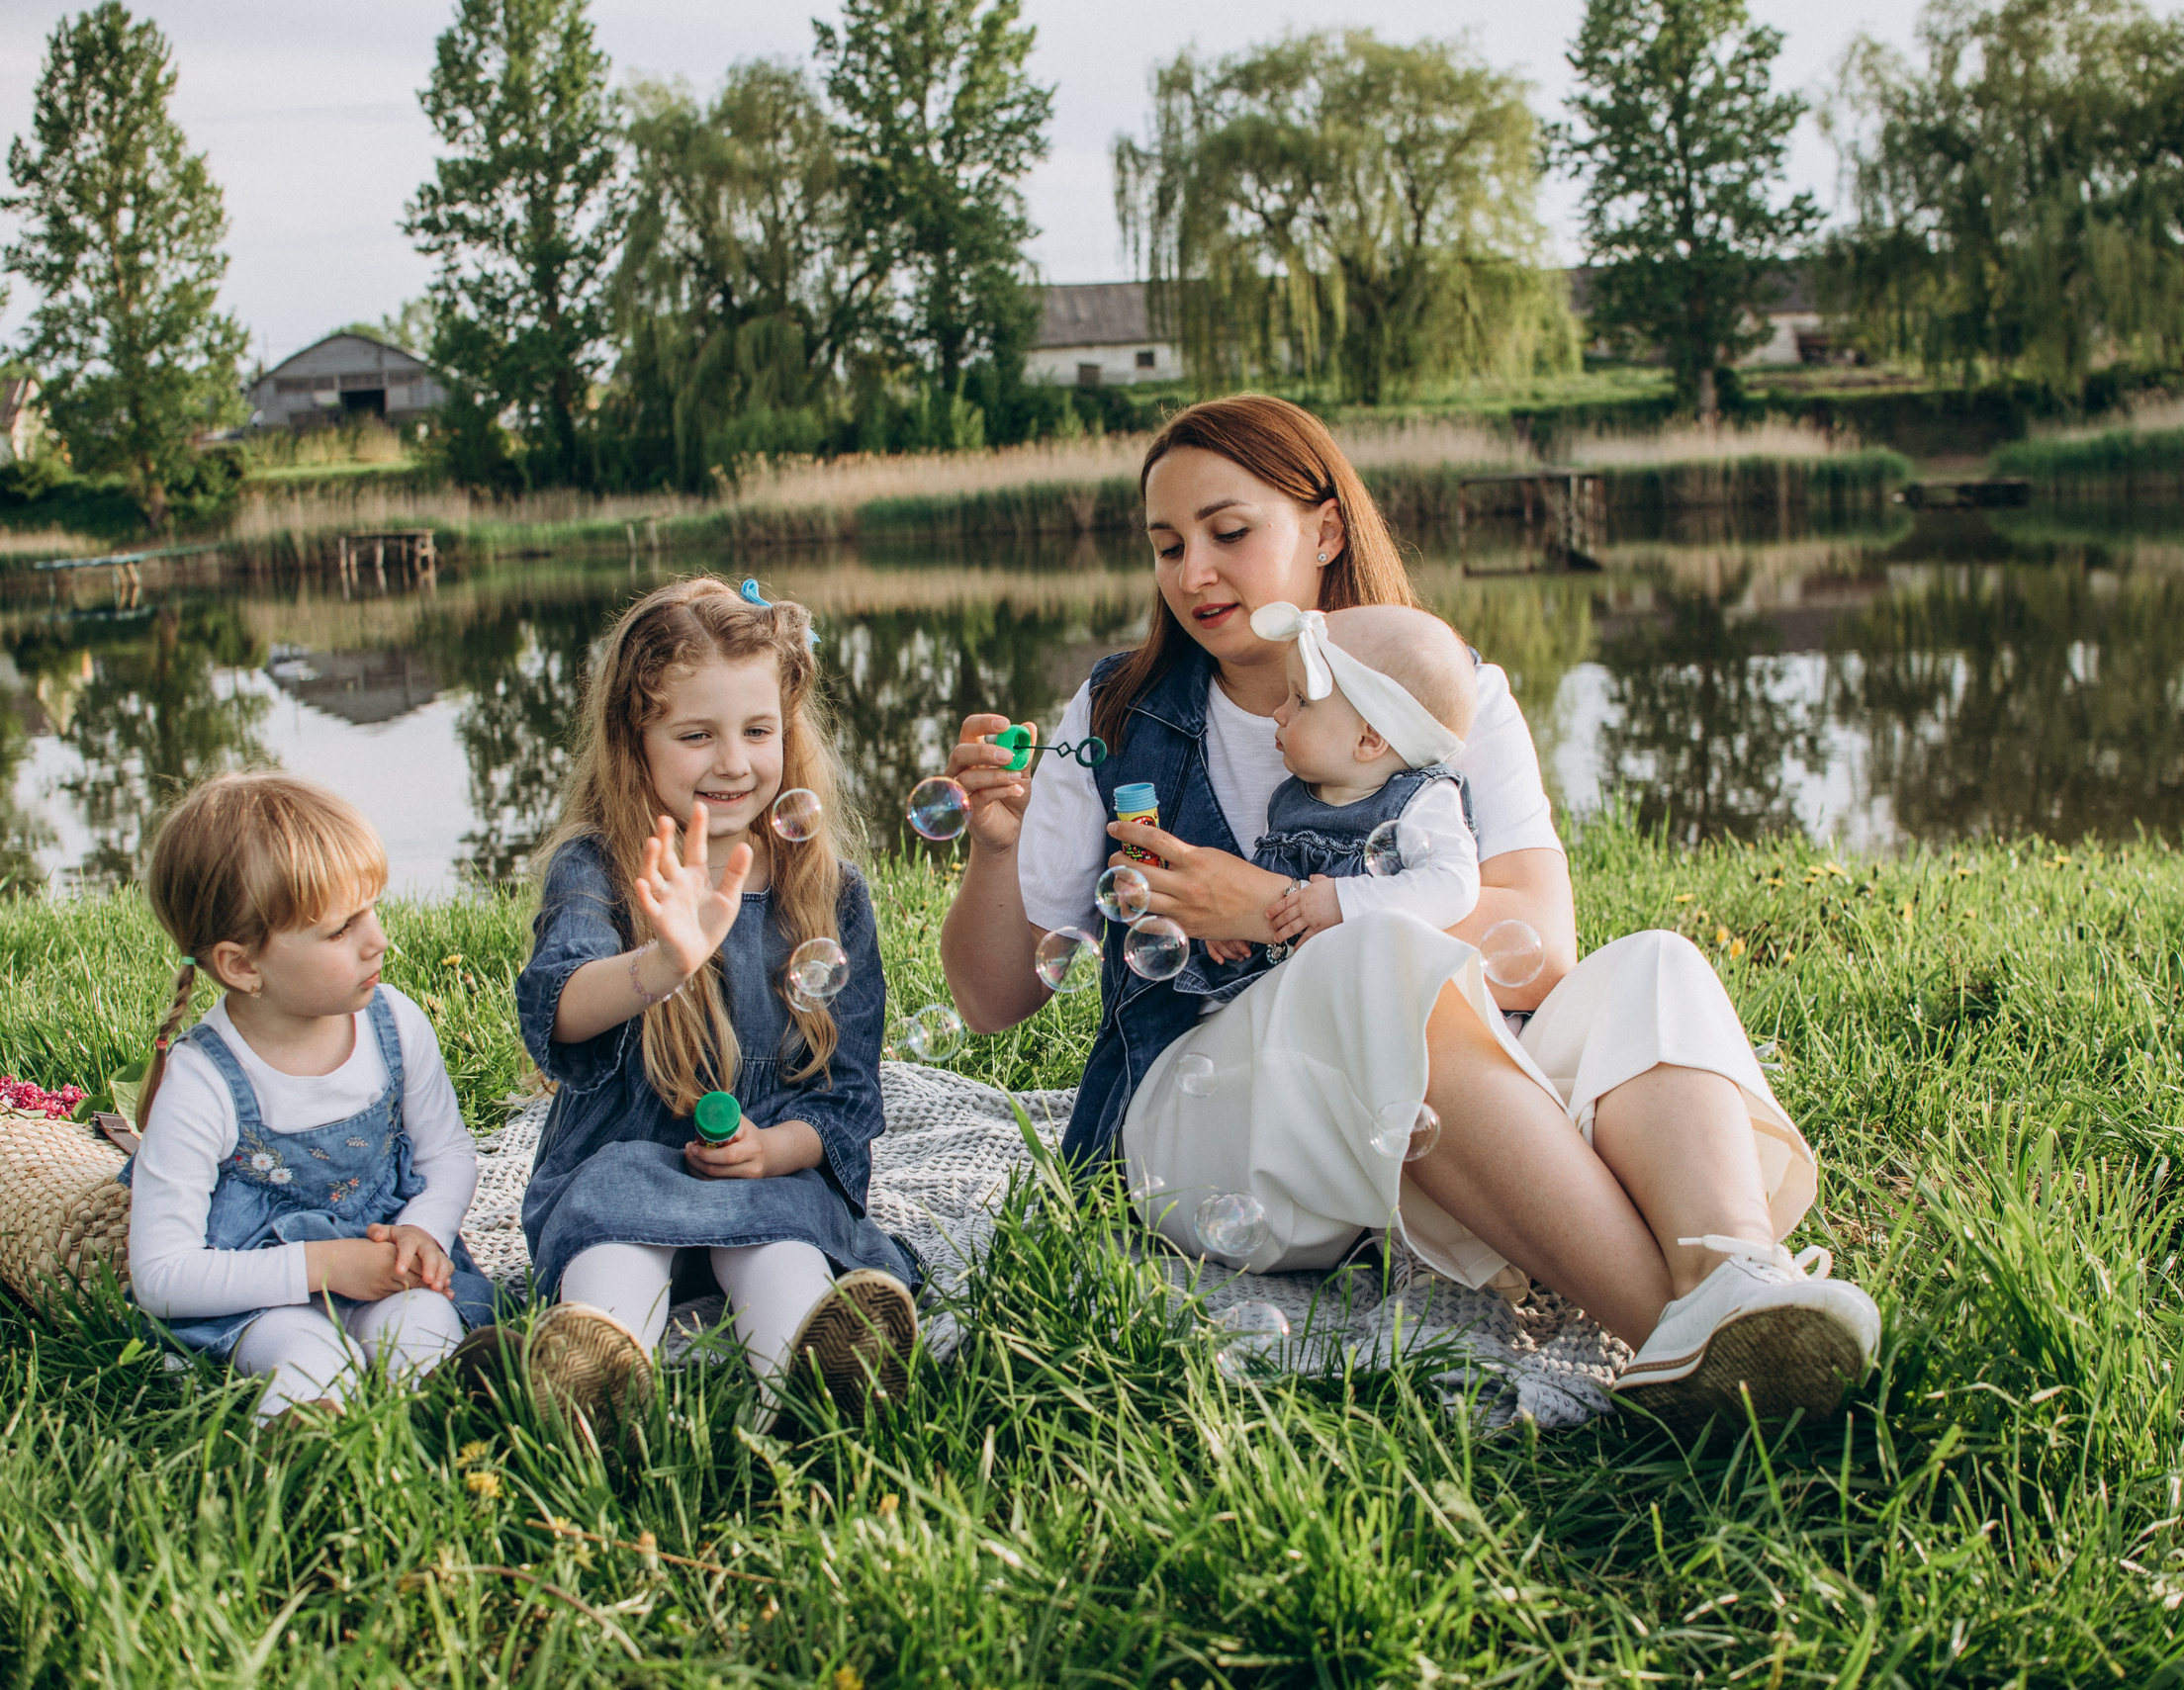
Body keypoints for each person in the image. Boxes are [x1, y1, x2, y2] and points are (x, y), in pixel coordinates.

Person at [932, 395, 1880, 1429]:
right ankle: (1677, 1337)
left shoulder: (1448, 693)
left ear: (1325, 530)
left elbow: (1538, 946)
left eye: (1228, 532)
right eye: (1167, 546)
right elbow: (990, 999)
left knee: (1653, 963)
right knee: (1373, 955)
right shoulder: (1117, 713)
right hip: (1202, 1128)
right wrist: (996, 847)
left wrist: (1276, 906)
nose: (1192, 572)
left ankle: (1736, 1276)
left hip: (1414, 1109)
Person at [512, 576, 920, 1431]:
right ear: (635, 739)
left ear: (788, 731)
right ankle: (598, 1388)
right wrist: (661, 962)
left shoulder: (828, 890)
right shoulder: (597, 867)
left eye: (757, 731)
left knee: (782, 1253)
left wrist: (773, 1149)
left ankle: (810, 1390)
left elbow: (847, 1099)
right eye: (697, 734)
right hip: (621, 1166)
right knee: (615, 1247)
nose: (733, 762)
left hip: (767, 1178)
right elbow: (559, 1010)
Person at [121, 772, 500, 1425]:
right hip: (263, 1296)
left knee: (424, 1326)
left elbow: (447, 1154)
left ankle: (469, 1421)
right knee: (308, 1352)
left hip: (386, 1266)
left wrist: (422, 1231)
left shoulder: (394, 1024)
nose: (377, 940)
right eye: (340, 929)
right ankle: (303, 1442)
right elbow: (161, 1273)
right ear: (243, 966)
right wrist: (323, 1267)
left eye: (371, 910)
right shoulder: (203, 1080)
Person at [1192, 600, 1483, 992]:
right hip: (1288, 994)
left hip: (1369, 994)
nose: (1279, 713)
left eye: (1301, 700)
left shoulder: (1421, 800)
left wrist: (1343, 902)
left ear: (1368, 739)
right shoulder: (1289, 800)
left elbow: (1454, 884)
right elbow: (1273, 900)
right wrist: (1237, 925)